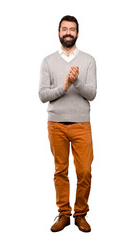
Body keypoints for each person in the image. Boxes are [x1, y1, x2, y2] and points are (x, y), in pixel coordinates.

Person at [39, 15, 97, 232]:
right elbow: (43, 95)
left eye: (72, 29)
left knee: (84, 171)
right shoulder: (47, 61)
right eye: (64, 29)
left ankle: (80, 214)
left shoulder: (89, 60)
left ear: (78, 34)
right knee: (60, 171)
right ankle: (64, 213)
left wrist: (77, 82)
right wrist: (65, 86)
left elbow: (91, 94)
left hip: (82, 124)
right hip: (56, 125)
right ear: (58, 33)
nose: (68, 33)